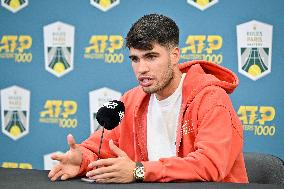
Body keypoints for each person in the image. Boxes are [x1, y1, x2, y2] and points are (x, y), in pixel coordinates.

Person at [48, 13, 248, 183]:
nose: (141, 69)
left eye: (151, 57)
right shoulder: (130, 100)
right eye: (135, 59)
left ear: (175, 55)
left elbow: (210, 165)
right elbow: (99, 149)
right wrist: (81, 160)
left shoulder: (211, 99)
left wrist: (138, 171)